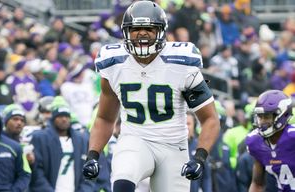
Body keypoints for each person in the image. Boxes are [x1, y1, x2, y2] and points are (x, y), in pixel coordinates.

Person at [82, 1, 220, 192]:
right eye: (136, 28)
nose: (142, 33)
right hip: (134, 140)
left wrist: (200, 157)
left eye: (149, 28)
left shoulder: (182, 63)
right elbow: (105, 118)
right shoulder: (113, 63)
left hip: (173, 147)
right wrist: (93, 155)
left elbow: (210, 119)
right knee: (123, 178)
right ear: (126, 32)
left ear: (161, 31)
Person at [29, 105, 94, 191]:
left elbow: (89, 170)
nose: (64, 119)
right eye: (60, 116)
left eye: (66, 116)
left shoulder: (82, 140)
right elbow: (36, 170)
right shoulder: (40, 138)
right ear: (53, 119)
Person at [246, 90, 295, 191]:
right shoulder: (255, 142)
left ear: (283, 114)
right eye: (260, 116)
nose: (263, 121)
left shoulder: (292, 137)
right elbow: (257, 184)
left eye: (267, 116)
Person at [0, 110, 31, 191]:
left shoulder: (15, 147)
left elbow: (25, 173)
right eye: (15, 119)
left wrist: (15, 190)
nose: (19, 123)